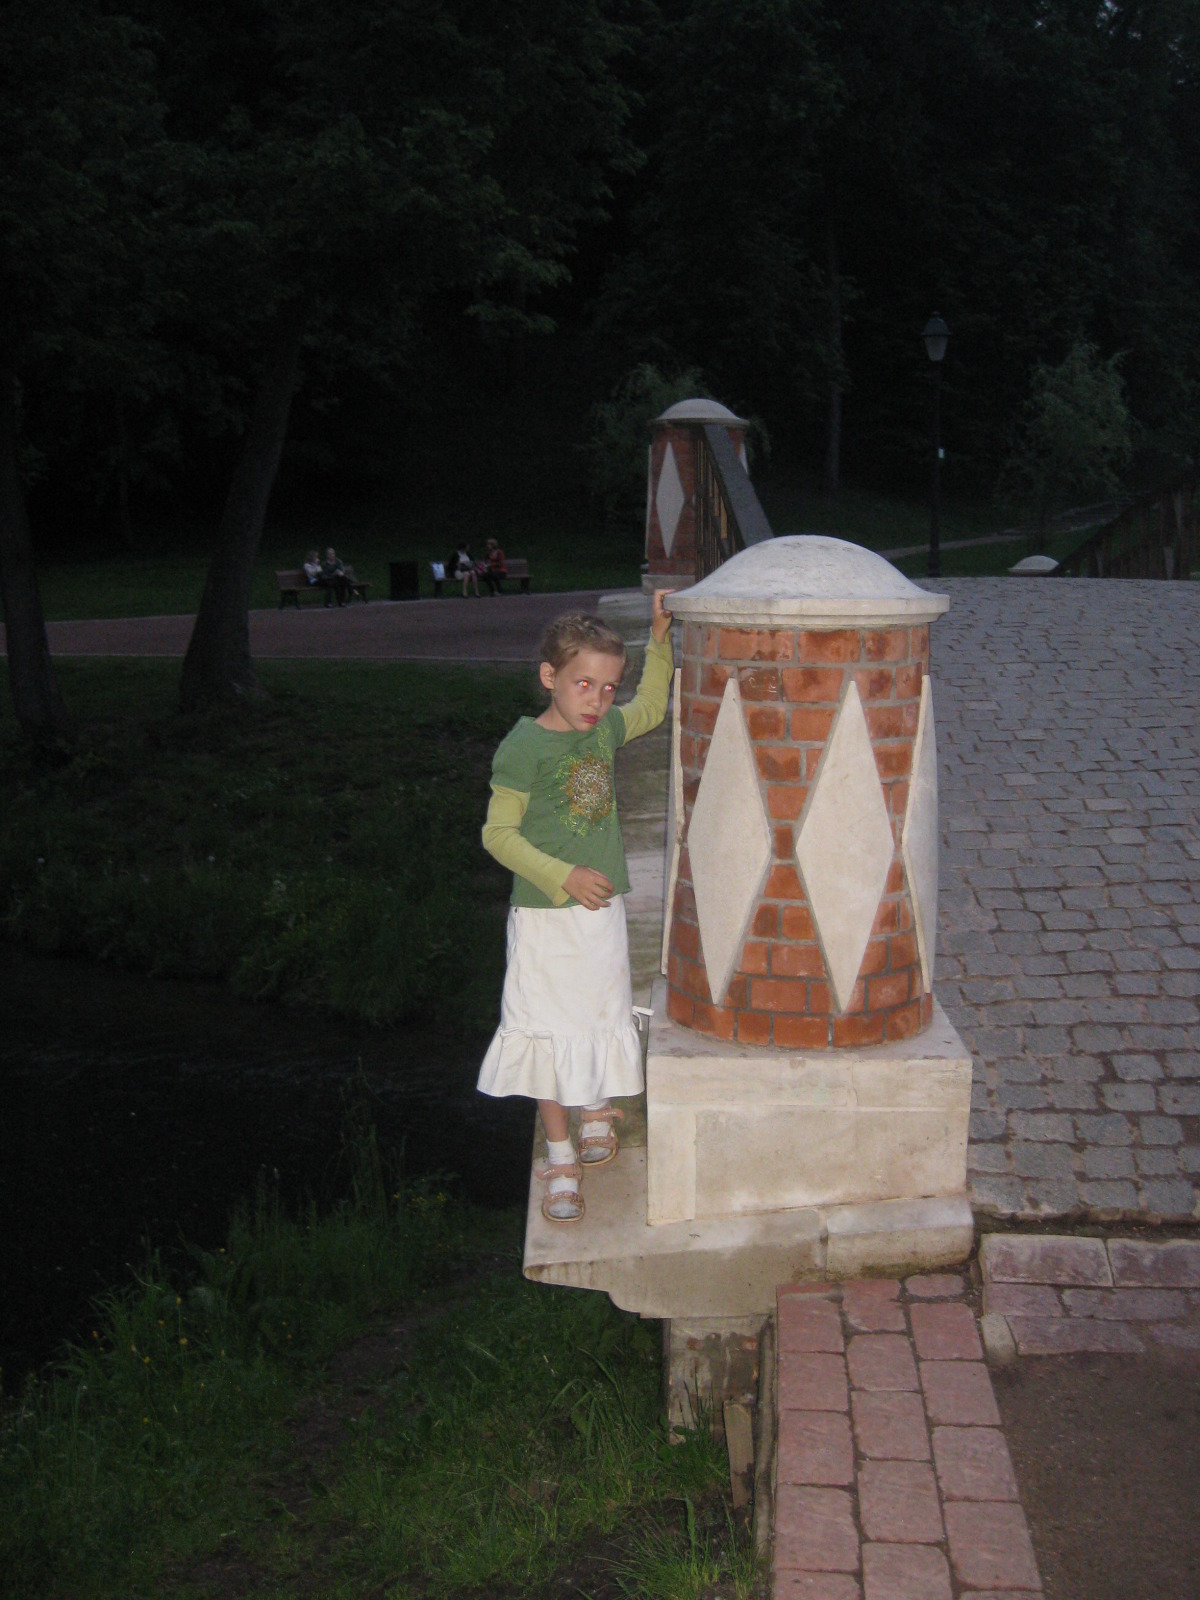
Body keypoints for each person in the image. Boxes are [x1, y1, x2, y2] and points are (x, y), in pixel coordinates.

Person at [477, 593, 674, 1222]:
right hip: (543, 917)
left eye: (608, 688)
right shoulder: (522, 748)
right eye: (583, 684)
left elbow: (652, 706)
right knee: (545, 1026)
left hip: (600, 915)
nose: (597, 701)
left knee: (601, 1009)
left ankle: (596, 1108)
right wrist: (563, 875)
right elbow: (497, 835)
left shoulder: (606, 730)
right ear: (550, 677)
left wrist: (659, 639)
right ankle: (560, 1154)